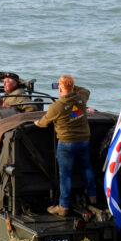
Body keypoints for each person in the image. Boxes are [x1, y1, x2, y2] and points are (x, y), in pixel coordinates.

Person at [34, 75, 97, 216]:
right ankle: (93, 197)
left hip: (67, 144)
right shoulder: (81, 98)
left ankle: (63, 207)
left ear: (60, 88)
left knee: (65, 175)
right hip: (84, 140)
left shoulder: (57, 106)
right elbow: (86, 90)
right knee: (87, 167)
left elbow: (44, 123)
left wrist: (36, 123)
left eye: (59, 86)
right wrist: (72, 86)